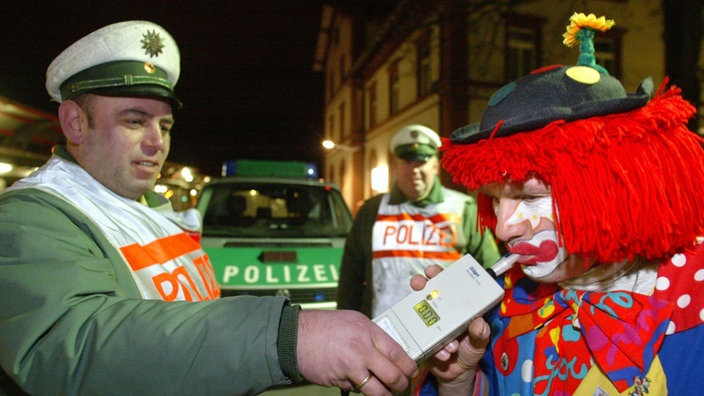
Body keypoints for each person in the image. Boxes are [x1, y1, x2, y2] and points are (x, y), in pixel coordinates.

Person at [0, 21, 418, 395]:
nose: (156, 141)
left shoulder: (147, 208)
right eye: (134, 120)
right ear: (75, 122)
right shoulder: (31, 217)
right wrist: (285, 338)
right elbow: (72, 345)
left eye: (164, 125)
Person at [408, 12, 704, 395]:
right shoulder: (501, 305)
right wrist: (457, 379)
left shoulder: (693, 292)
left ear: (614, 186)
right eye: (495, 202)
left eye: (530, 196)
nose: (502, 228)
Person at [337, 124, 501, 319]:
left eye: (421, 161)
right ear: (395, 166)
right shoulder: (372, 210)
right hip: (381, 334)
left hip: (446, 337)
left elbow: (491, 273)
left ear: (435, 166)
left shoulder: (463, 208)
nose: (414, 170)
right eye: (406, 162)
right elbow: (350, 280)